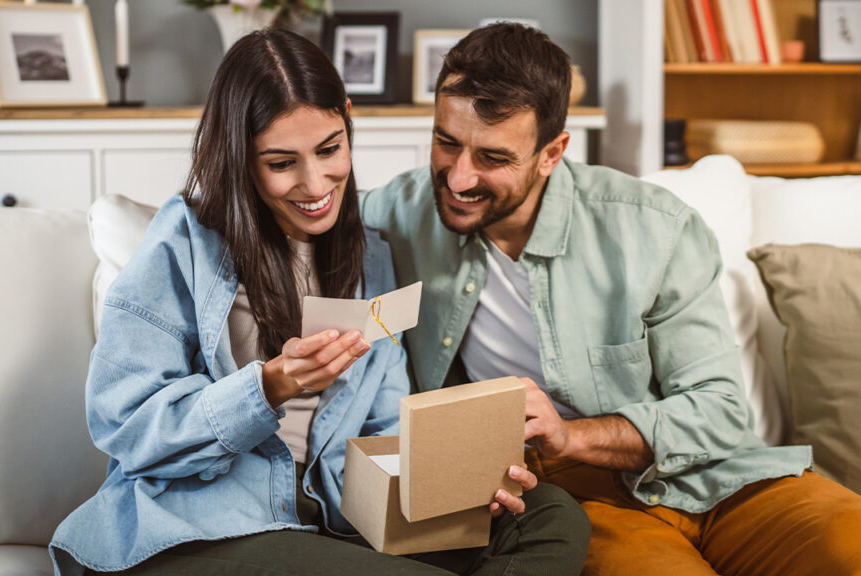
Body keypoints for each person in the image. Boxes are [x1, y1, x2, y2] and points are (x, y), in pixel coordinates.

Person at [359, 23, 861, 576]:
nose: (458, 178)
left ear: (552, 153)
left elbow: (719, 410)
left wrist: (572, 433)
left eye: (493, 158)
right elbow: (302, 213)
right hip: (565, 495)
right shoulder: (396, 214)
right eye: (445, 142)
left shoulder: (654, 228)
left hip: (719, 476)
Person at [48, 28, 588, 576]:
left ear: (347, 118)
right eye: (282, 163)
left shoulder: (369, 255)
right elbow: (127, 426)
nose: (315, 183)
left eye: (330, 148)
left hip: (329, 517)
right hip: (196, 525)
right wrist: (269, 386)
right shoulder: (185, 242)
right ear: (242, 156)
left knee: (546, 515)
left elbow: (380, 432)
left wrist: (459, 476)